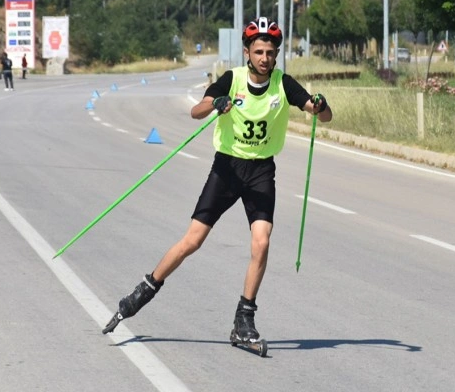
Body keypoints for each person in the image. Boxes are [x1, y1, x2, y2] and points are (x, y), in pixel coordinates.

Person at [101, 17, 333, 343]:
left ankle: (244, 317)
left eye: (271, 52)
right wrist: (216, 103)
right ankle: (141, 292)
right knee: (193, 240)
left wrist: (321, 106)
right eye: (259, 51)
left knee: (262, 242)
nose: (265, 58)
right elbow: (197, 110)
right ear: (247, 52)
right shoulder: (232, 78)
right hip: (227, 169)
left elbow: (320, 113)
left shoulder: (283, 83)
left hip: (261, 172)